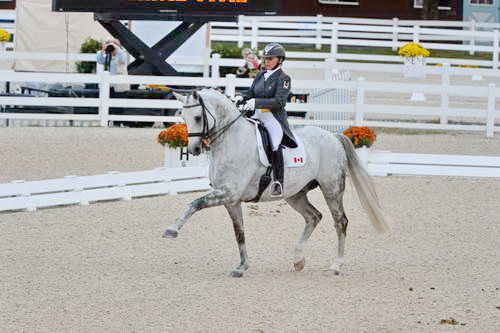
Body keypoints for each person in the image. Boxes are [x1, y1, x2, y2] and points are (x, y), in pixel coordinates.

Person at [235, 43, 297, 197]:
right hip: (256, 116)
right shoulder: (261, 74)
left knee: (275, 144)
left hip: (272, 118)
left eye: (270, 58)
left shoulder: (284, 78)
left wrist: (257, 102)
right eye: (265, 58)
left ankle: (278, 182)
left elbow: (279, 102)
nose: (267, 61)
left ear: (280, 60)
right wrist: (241, 96)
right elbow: (250, 92)